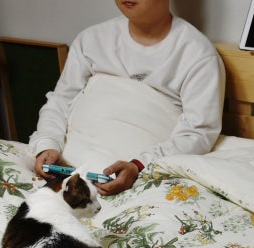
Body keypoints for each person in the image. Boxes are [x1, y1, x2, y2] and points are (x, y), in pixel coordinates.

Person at [30, 0, 225, 196]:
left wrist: (138, 165)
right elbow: (60, 101)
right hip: (64, 163)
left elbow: (198, 132)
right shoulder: (91, 40)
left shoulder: (197, 54)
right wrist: (48, 144)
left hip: (132, 171)